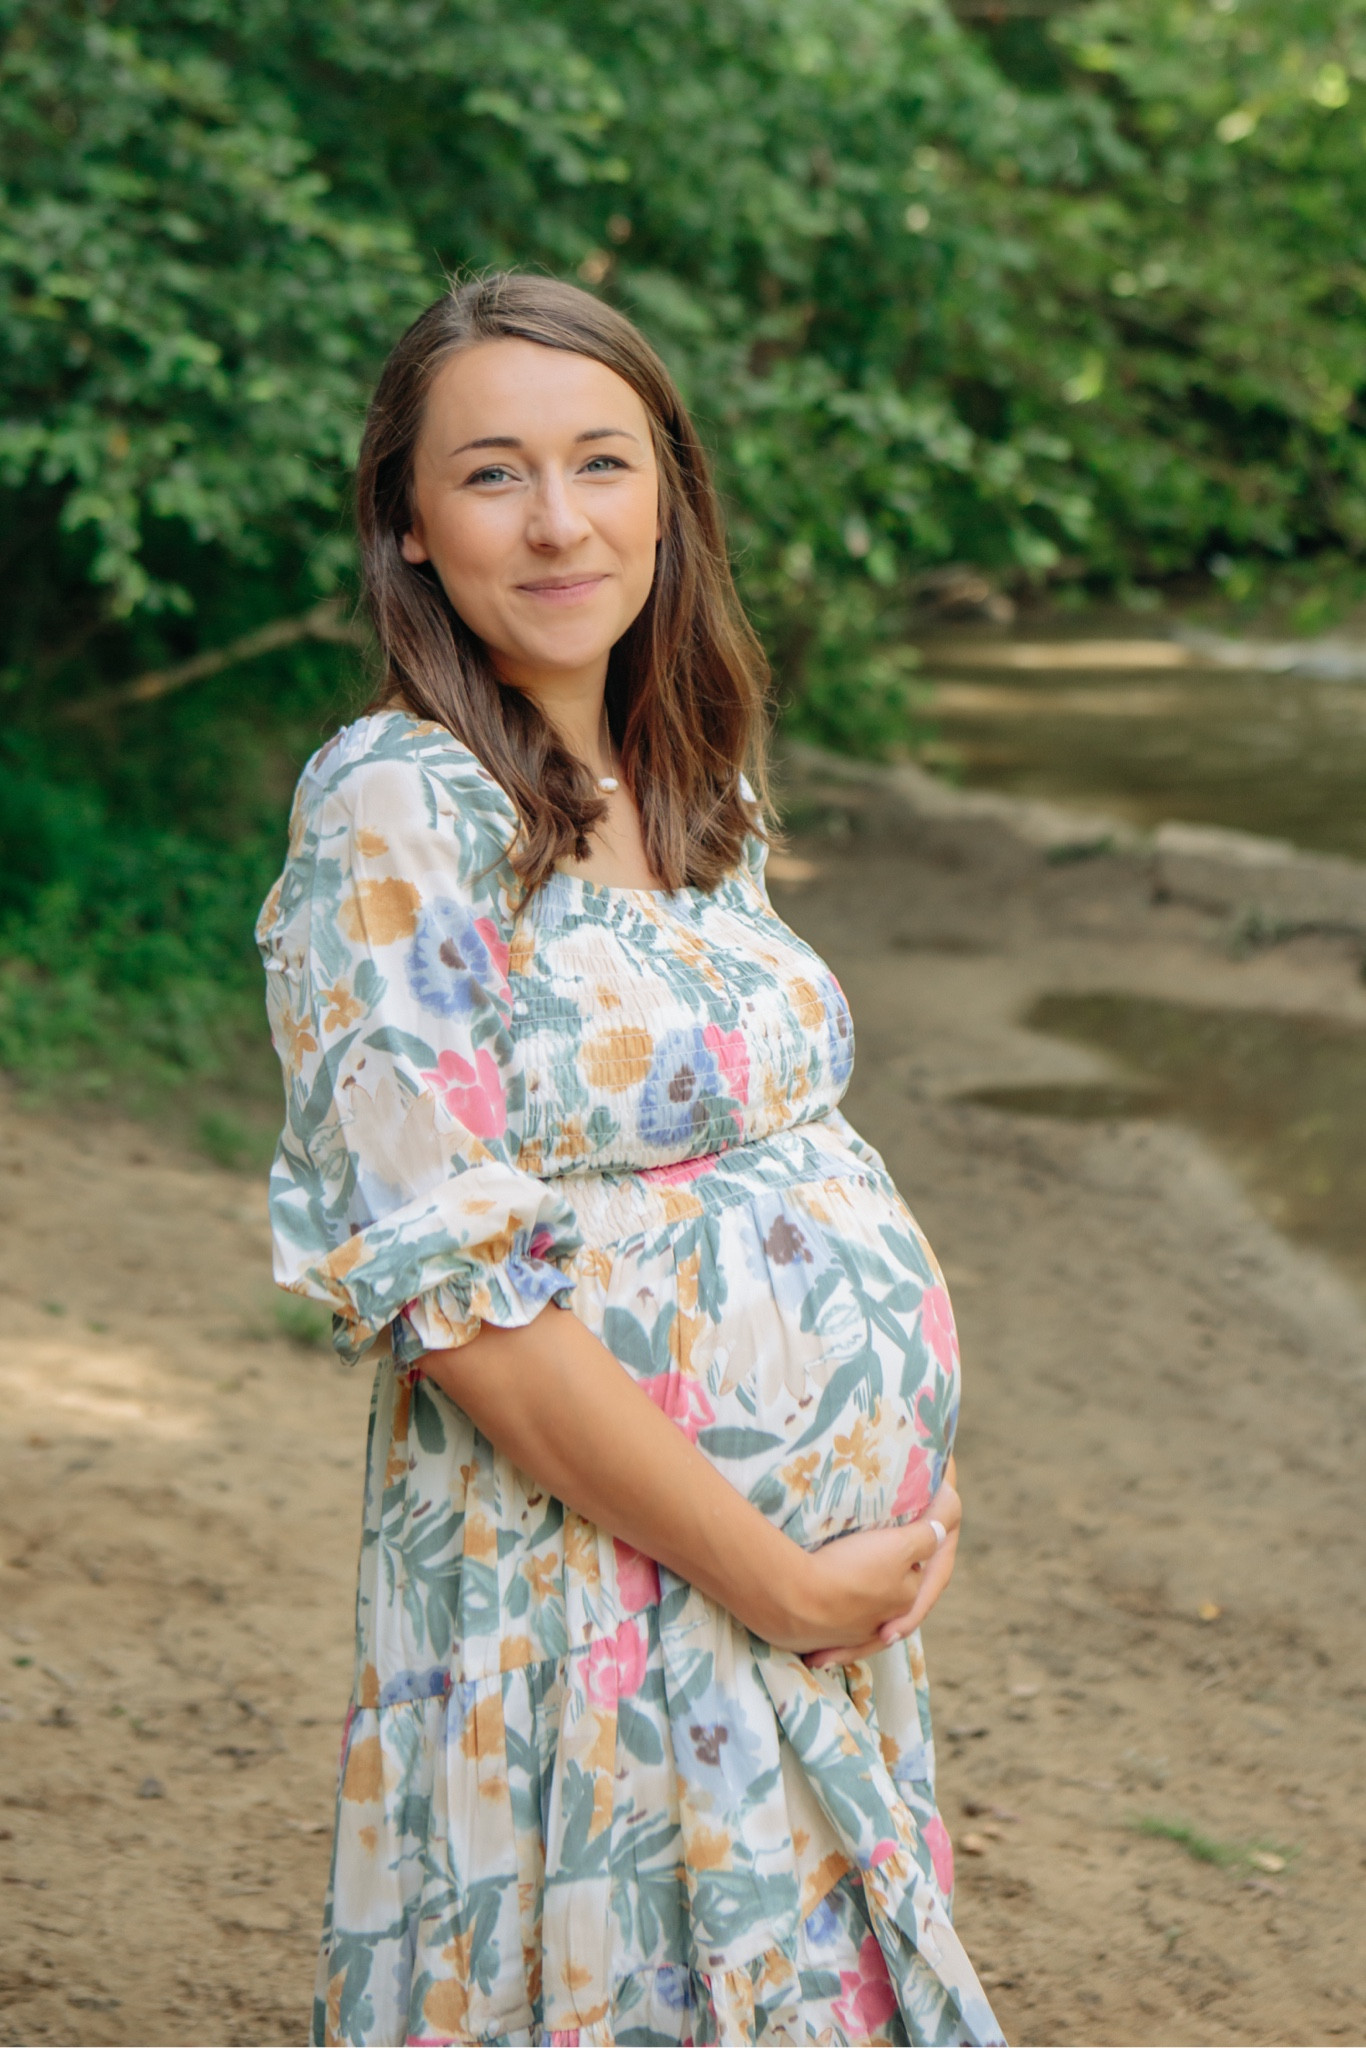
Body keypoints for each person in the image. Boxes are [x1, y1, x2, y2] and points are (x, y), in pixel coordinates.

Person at [257, 271, 1002, 2048]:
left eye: (601, 461)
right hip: (583, 1588)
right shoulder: (399, 802)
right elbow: (451, 1296)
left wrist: (884, 1512)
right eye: (494, 474)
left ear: (667, 489)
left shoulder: (698, 786)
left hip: (801, 1598)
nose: (560, 519)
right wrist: (773, 1568)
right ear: (412, 527)